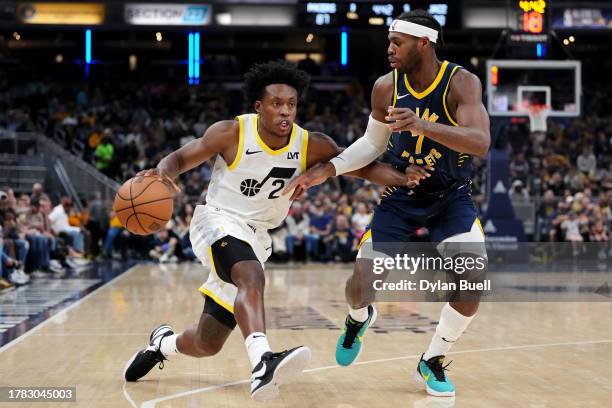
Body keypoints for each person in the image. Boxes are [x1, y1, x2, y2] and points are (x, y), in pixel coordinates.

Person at [123, 61, 410, 401]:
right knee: (251, 276)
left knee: (207, 342)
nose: (285, 111)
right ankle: (263, 361)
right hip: (216, 220)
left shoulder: (311, 144)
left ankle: (162, 344)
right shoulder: (231, 132)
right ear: (259, 106)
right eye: (276, 103)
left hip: (256, 236)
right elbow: (180, 158)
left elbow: (361, 168)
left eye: (291, 104)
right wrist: (163, 174)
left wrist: (406, 178)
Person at [285, 10, 490, 397]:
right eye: (389, 41)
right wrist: (326, 170)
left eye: (398, 42)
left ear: (423, 43)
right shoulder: (385, 87)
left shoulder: (461, 83)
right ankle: (358, 319)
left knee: (472, 282)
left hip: (451, 197)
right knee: (360, 285)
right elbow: (372, 146)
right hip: (401, 196)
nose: (389, 49)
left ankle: (432, 359)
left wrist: (422, 125)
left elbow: (480, 142)